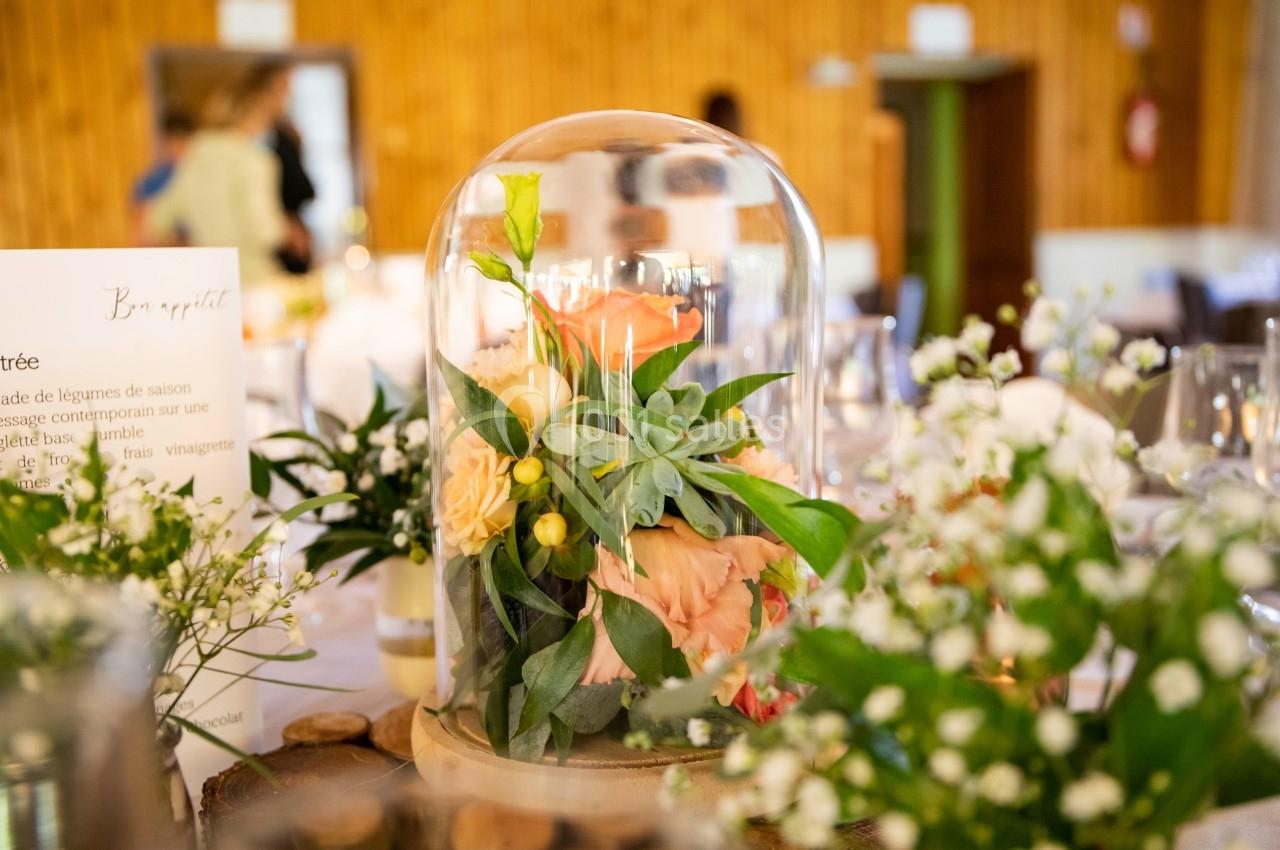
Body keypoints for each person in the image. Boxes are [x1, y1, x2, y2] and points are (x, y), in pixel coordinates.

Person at [146, 63, 289, 284]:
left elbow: (156, 221)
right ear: (251, 115)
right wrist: (285, 229)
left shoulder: (193, 159)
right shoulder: (255, 160)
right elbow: (264, 231)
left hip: (211, 285)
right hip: (255, 279)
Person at [130, 111, 193, 245]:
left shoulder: (202, 178)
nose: (176, 150)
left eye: (182, 144)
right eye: (171, 144)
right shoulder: (152, 181)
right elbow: (141, 234)